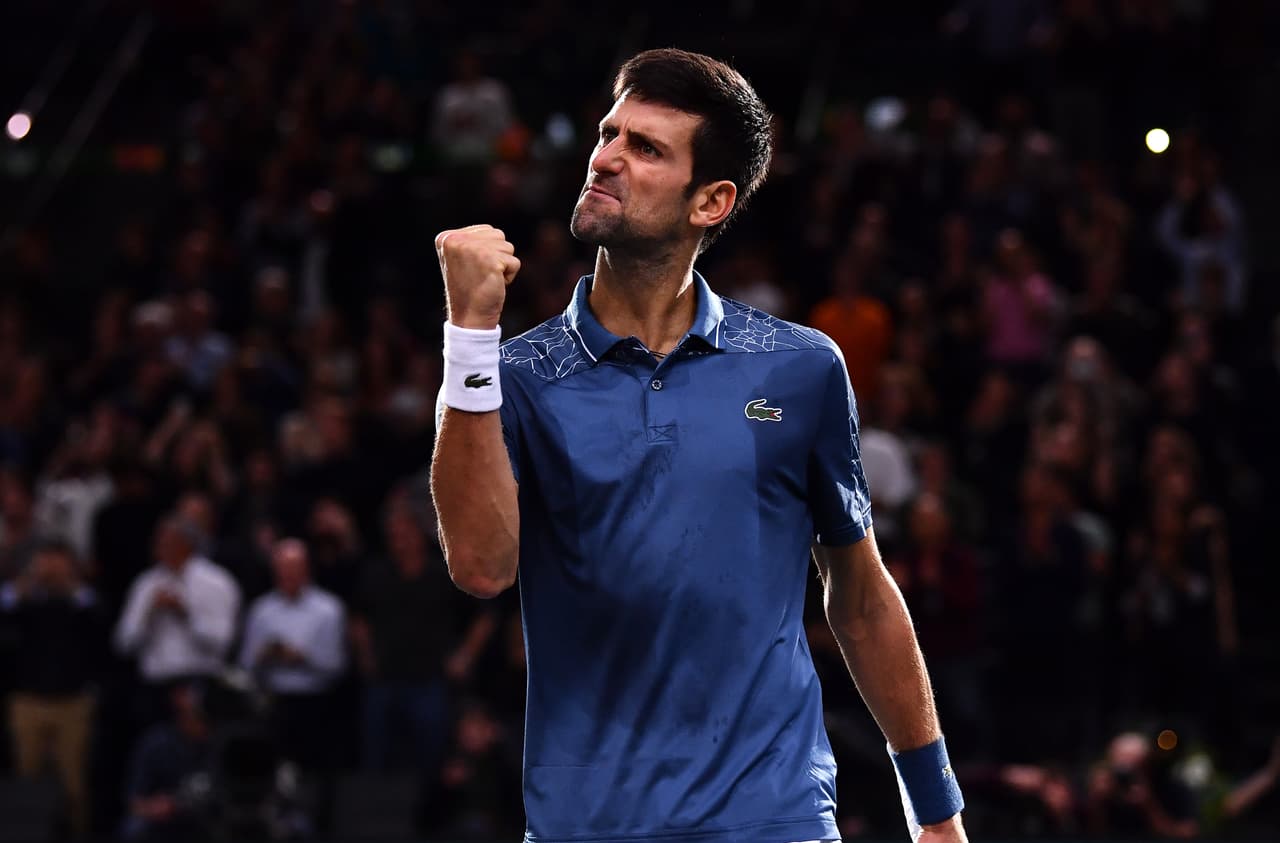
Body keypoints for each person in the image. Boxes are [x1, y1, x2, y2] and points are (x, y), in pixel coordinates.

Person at [431, 48, 968, 843]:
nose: (606, 157)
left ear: (711, 201)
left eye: (646, 148)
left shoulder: (802, 368)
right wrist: (469, 338)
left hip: (774, 820)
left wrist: (938, 811)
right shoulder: (513, 376)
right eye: (610, 133)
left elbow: (858, 597)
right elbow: (480, 566)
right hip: (587, 828)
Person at [238, 537, 346, 770]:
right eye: (282, 569)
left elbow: (336, 665)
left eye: (293, 568)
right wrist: (264, 656)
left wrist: (301, 657)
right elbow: (245, 665)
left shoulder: (328, 609)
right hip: (272, 703)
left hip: (315, 704)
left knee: (314, 772)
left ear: (306, 569)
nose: (287, 575)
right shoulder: (261, 611)